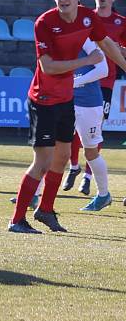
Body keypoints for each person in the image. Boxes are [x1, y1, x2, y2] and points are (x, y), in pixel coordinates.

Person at [8, 0, 126, 234]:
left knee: (62, 158)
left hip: (66, 99)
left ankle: (46, 211)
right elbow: (47, 66)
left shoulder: (87, 17)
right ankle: (16, 220)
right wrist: (85, 62)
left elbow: (105, 42)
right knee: (43, 161)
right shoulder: (44, 23)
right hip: (44, 99)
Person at [63, 0, 126, 195]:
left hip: (104, 84)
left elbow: (123, 51)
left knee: (95, 132)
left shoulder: (121, 22)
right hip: (80, 79)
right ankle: (73, 166)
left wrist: (120, 50)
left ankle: (89, 177)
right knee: (69, 127)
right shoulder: (85, 18)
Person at [67, 38, 112, 211]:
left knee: (91, 151)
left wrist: (75, 83)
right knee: (52, 147)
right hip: (65, 100)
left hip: (89, 104)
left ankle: (103, 195)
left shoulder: (86, 38)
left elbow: (103, 70)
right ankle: (33, 194)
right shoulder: (56, 32)